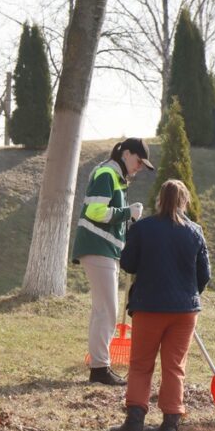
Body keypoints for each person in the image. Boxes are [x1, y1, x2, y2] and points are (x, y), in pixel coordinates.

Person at [110, 179, 210, 431]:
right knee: (175, 366)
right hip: (185, 310)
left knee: (141, 365)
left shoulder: (143, 228)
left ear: (159, 199)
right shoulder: (195, 231)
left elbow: (128, 264)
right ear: (184, 201)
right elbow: (204, 275)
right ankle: (170, 425)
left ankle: (134, 422)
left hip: (149, 305)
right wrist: (189, 293)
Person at [71, 137, 154, 386]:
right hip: (97, 247)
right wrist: (129, 212)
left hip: (103, 248)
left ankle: (99, 366)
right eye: (138, 161)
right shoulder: (108, 173)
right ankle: (99, 368)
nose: (139, 168)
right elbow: (95, 212)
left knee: (103, 310)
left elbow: (106, 215)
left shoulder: (114, 176)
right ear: (126, 153)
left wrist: (128, 221)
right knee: (107, 310)